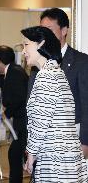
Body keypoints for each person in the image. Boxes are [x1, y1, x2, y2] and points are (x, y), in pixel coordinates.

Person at [22, 26, 88, 182]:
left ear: (41, 44)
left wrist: (31, 154)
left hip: (55, 159)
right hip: (65, 157)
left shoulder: (46, 76)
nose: (23, 51)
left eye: (26, 45)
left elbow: (40, 122)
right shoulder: (57, 71)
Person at [29, 8, 88, 158]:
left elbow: (86, 106)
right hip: (41, 144)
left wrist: (85, 143)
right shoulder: (37, 62)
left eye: (49, 29)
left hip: (71, 140)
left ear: (64, 30)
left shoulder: (81, 62)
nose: (44, 35)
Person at [0, 45, 28, 183]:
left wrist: (7, 113)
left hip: (24, 121)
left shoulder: (14, 73)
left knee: (14, 153)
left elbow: (19, 97)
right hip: (20, 121)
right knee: (14, 153)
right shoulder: (12, 71)